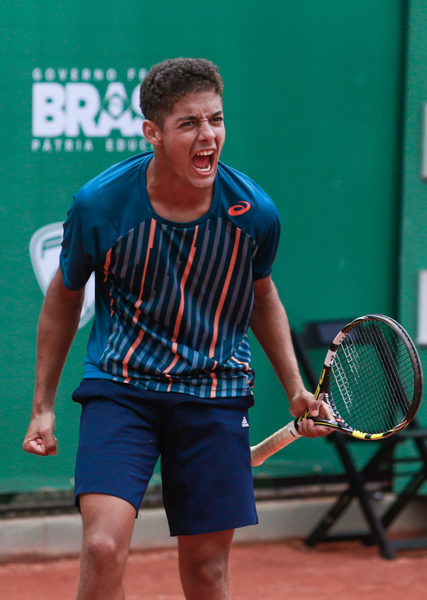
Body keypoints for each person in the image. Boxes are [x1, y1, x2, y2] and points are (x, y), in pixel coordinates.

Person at [23, 57, 331, 600]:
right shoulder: (101, 205)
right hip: (122, 388)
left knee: (208, 571)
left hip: (215, 393)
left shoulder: (254, 212)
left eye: (216, 119)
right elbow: (64, 297)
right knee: (102, 548)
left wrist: (295, 389)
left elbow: (262, 296)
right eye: (189, 123)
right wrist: (42, 405)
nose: (208, 135)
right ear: (153, 132)